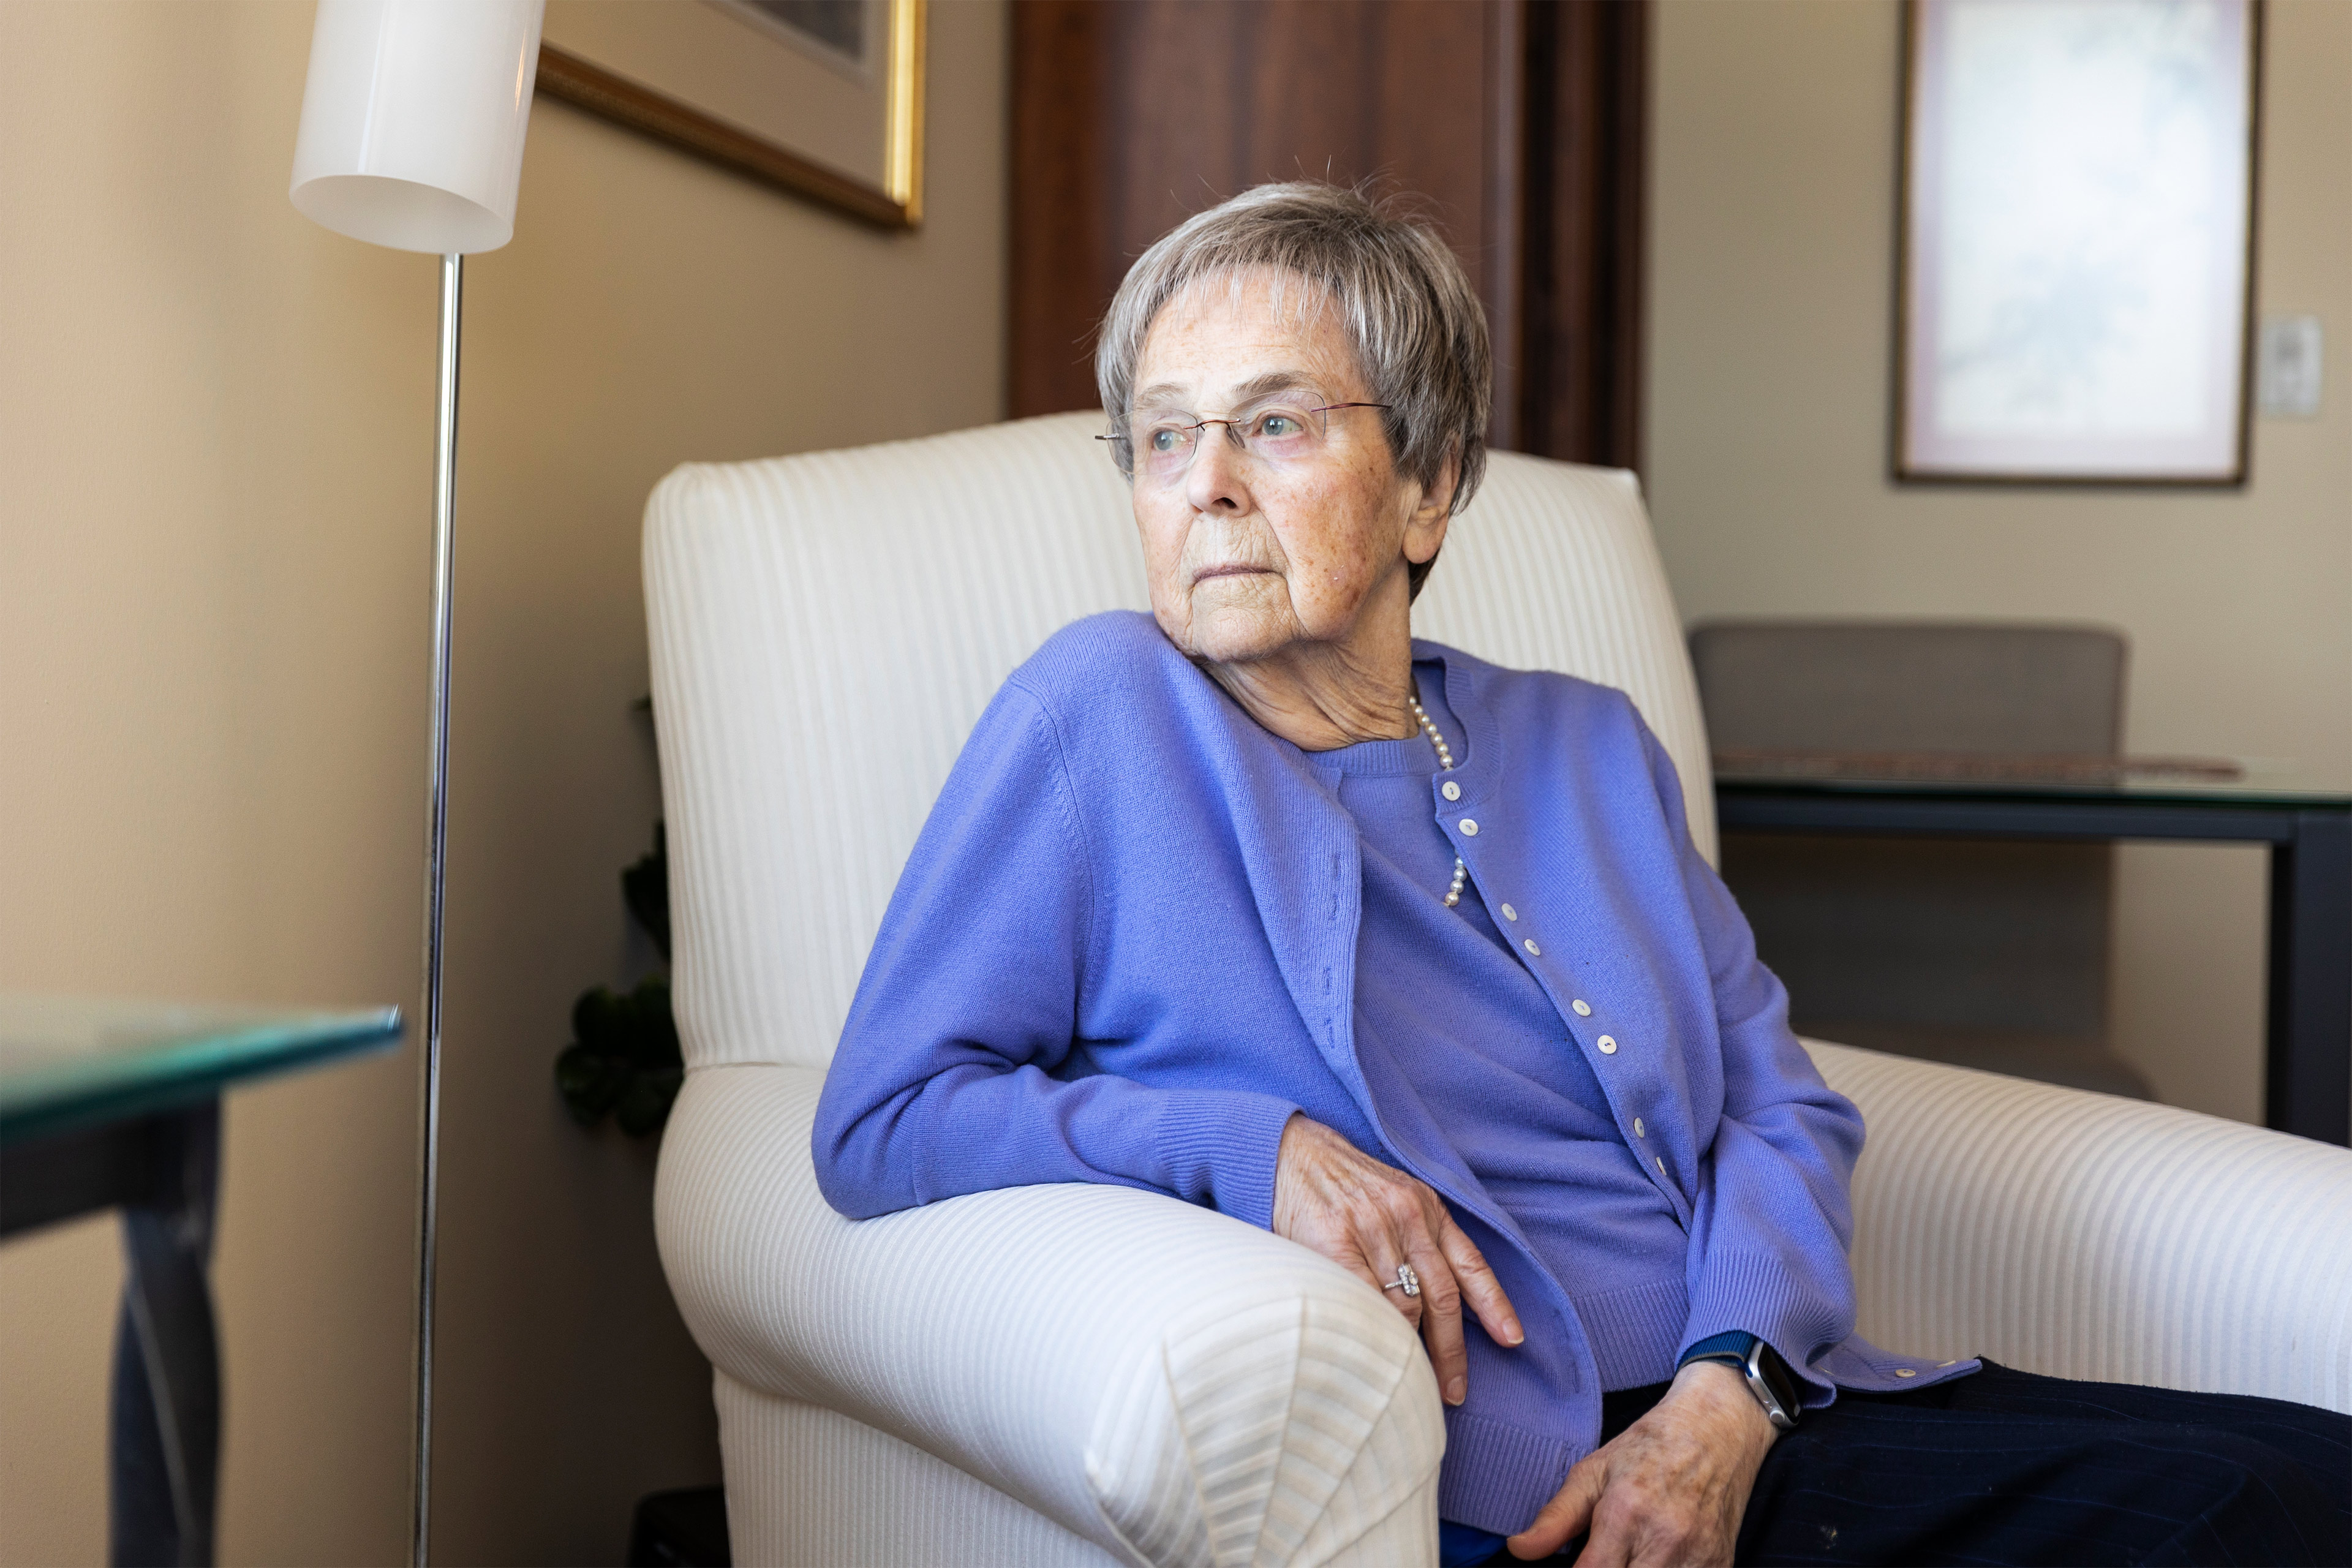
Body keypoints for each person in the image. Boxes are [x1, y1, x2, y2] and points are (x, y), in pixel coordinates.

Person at [812, 183, 2348, 1566]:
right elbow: (883, 1116)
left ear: (1429, 487)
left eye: (1274, 423)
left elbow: (1778, 1104)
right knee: (2231, 1521)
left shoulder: (1587, 743)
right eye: (1162, 434)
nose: (1204, 480)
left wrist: (1730, 1388)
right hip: (1549, 1487)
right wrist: (1249, 1142)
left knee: (2314, 1474)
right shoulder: (1102, 718)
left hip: (1758, 1415)